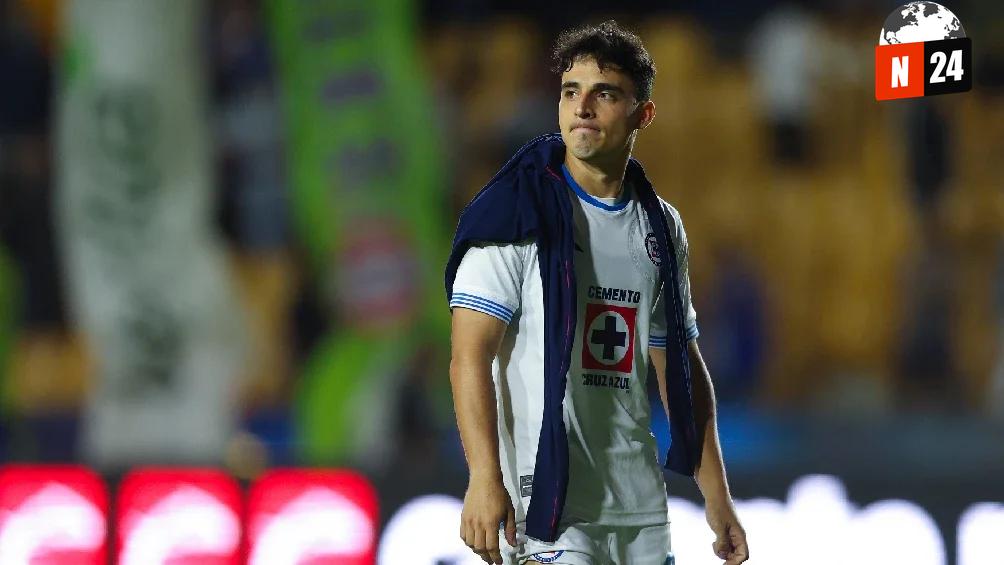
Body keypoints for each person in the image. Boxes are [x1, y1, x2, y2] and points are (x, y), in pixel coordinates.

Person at [445, 20, 749, 565]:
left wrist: (717, 496)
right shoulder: (513, 214)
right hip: (548, 505)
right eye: (570, 92)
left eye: (604, 94)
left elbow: (678, 364)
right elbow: (470, 357)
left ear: (642, 114)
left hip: (639, 507)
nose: (581, 108)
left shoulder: (661, 226)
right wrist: (483, 477)